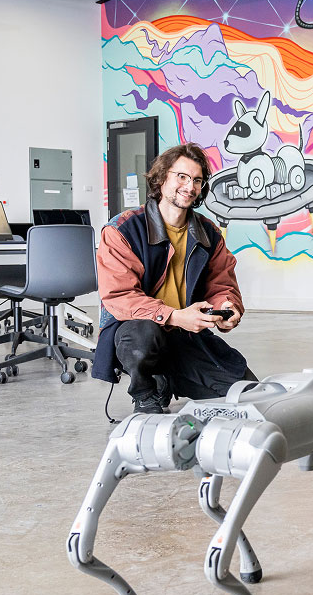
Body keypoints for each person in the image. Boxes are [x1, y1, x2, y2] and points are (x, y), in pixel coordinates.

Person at [93, 142, 252, 414]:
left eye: (197, 180)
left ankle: (168, 377)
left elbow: (222, 282)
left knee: (248, 394)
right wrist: (176, 316)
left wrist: (227, 306)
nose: (189, 187)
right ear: (162, 176)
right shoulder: (122, 229)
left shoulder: (208, 232)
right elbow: (120, 296)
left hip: (186, 335)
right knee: (144, 336)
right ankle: (145, 391)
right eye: (181, 176)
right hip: (138, 331)